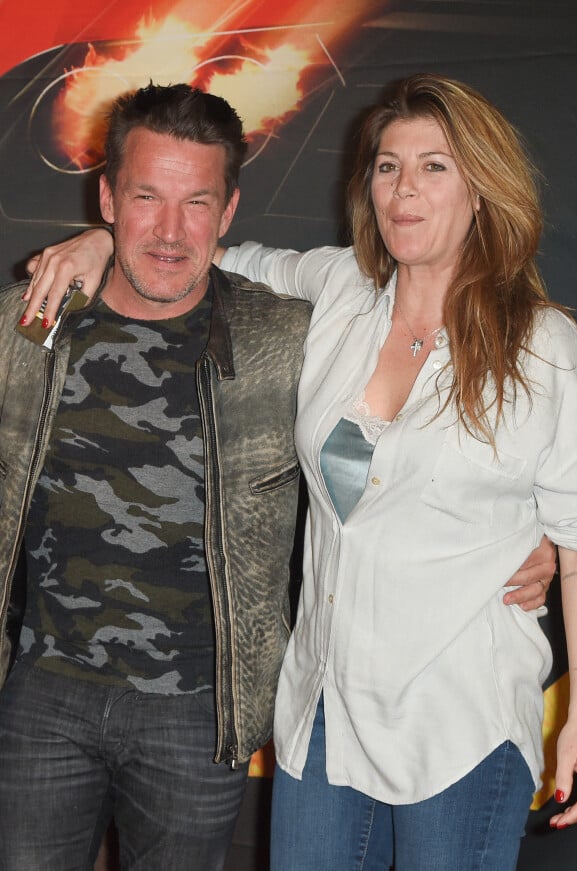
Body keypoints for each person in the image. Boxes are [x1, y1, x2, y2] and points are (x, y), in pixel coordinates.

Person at [19, 75, 568, 869]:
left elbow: (567, 509)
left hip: (431, 715)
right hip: (301, 707)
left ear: (482, 187)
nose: (405, 188)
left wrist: (548, 553)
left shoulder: (537, 344)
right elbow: (188, 251)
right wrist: (102, 240)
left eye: (435, 166)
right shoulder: (342, 290)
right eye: (387, 166)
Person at [0, 82, 313, 871]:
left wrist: (544, 543)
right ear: (106, 196)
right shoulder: (27, 325)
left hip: (198, 711)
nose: (170, 231)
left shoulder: (284, 342)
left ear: (230, 212)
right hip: (40, 691)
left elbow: (413, 426)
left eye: (197, 202)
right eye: (146, 196)